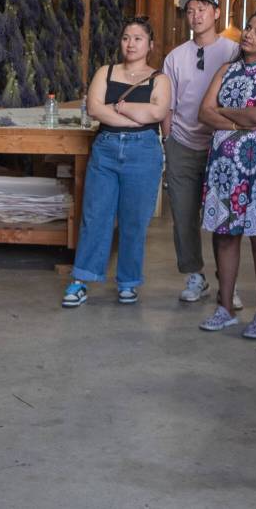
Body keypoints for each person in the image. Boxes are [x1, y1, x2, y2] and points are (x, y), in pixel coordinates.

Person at [62, 17, 171, 307]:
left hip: (144, 153)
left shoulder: (159, 78)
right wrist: (137, 114)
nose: (131, 43)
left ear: (150, 45)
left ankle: (128, 282)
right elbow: (95, 109)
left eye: (137, 38)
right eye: (126, 37)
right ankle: (81, 279)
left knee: (134, 220)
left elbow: (159, 112)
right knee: (95, 215)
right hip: (106, 149)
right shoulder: (105, 72)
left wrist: (121, 108)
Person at [195, 10, 256, 334]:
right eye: (248, 28)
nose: (248, 34)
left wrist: (224, 114)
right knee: (225, 234)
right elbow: (203, 113)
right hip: (224, 166)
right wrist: (240, 119)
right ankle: (225, 308)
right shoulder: (227, 68)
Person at [161, 0, 240, 308]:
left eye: (202, 8)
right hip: (182, 142)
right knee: (183, 214)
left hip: (221, 145)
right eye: (190, 10)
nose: (195, 14)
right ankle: (195, 274)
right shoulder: (175, 57)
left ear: (217, 13)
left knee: (224, 216)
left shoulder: (234, 51)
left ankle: (227, 282)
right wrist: (169, 142)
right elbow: (167, 106)